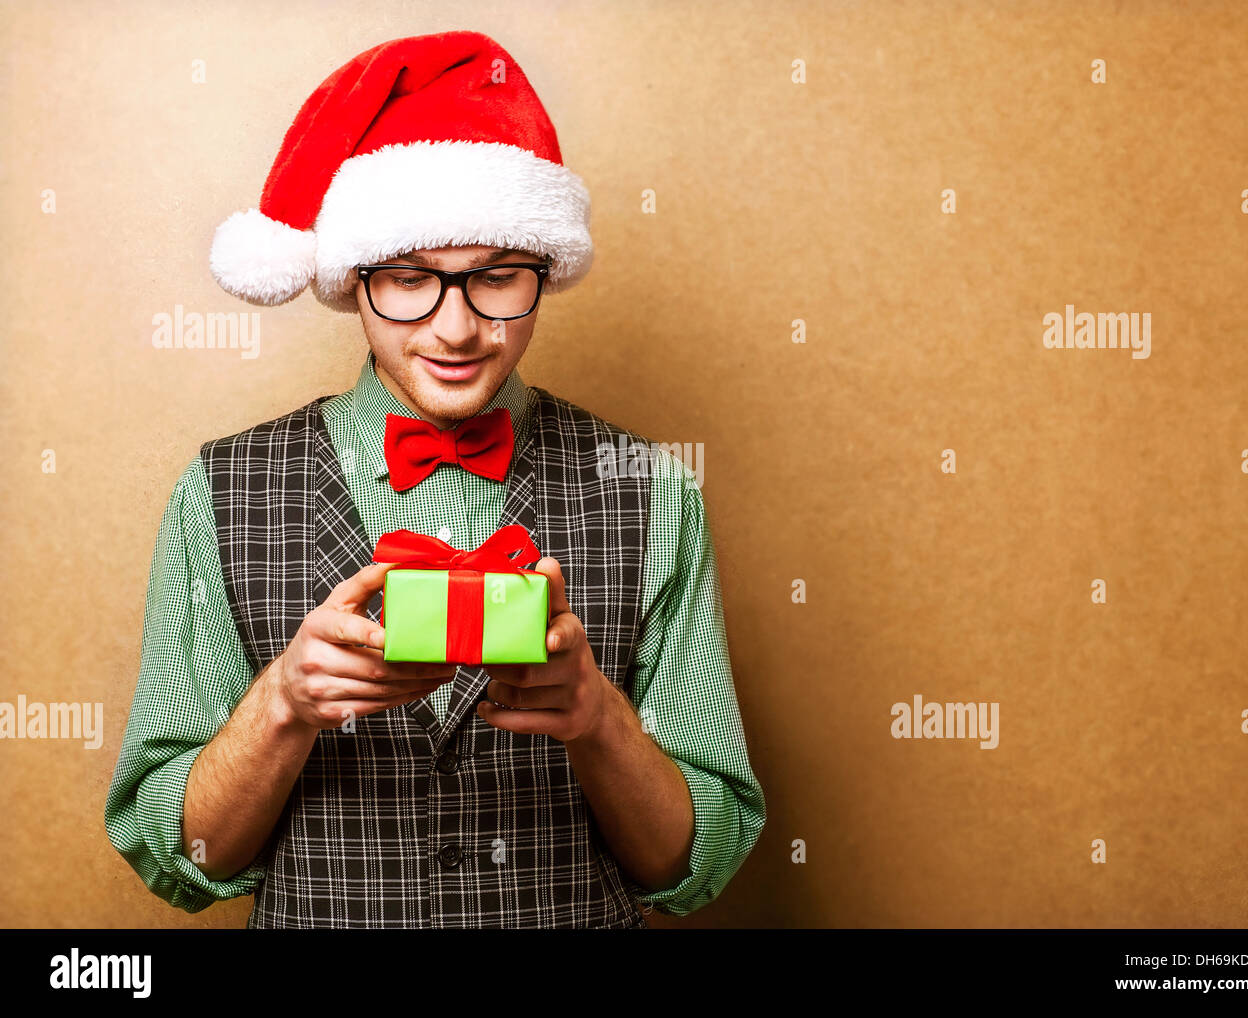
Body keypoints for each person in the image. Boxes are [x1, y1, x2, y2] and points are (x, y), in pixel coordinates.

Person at [105, 30, 764, 929]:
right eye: (411, 280)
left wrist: (597, 719)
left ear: (545, 272)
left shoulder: (655, 488)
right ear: (353, 282)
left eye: (496, 279)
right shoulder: (218, 490)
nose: (455, 329)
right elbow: (183, 862)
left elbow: (692, 867)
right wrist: (282, 704)